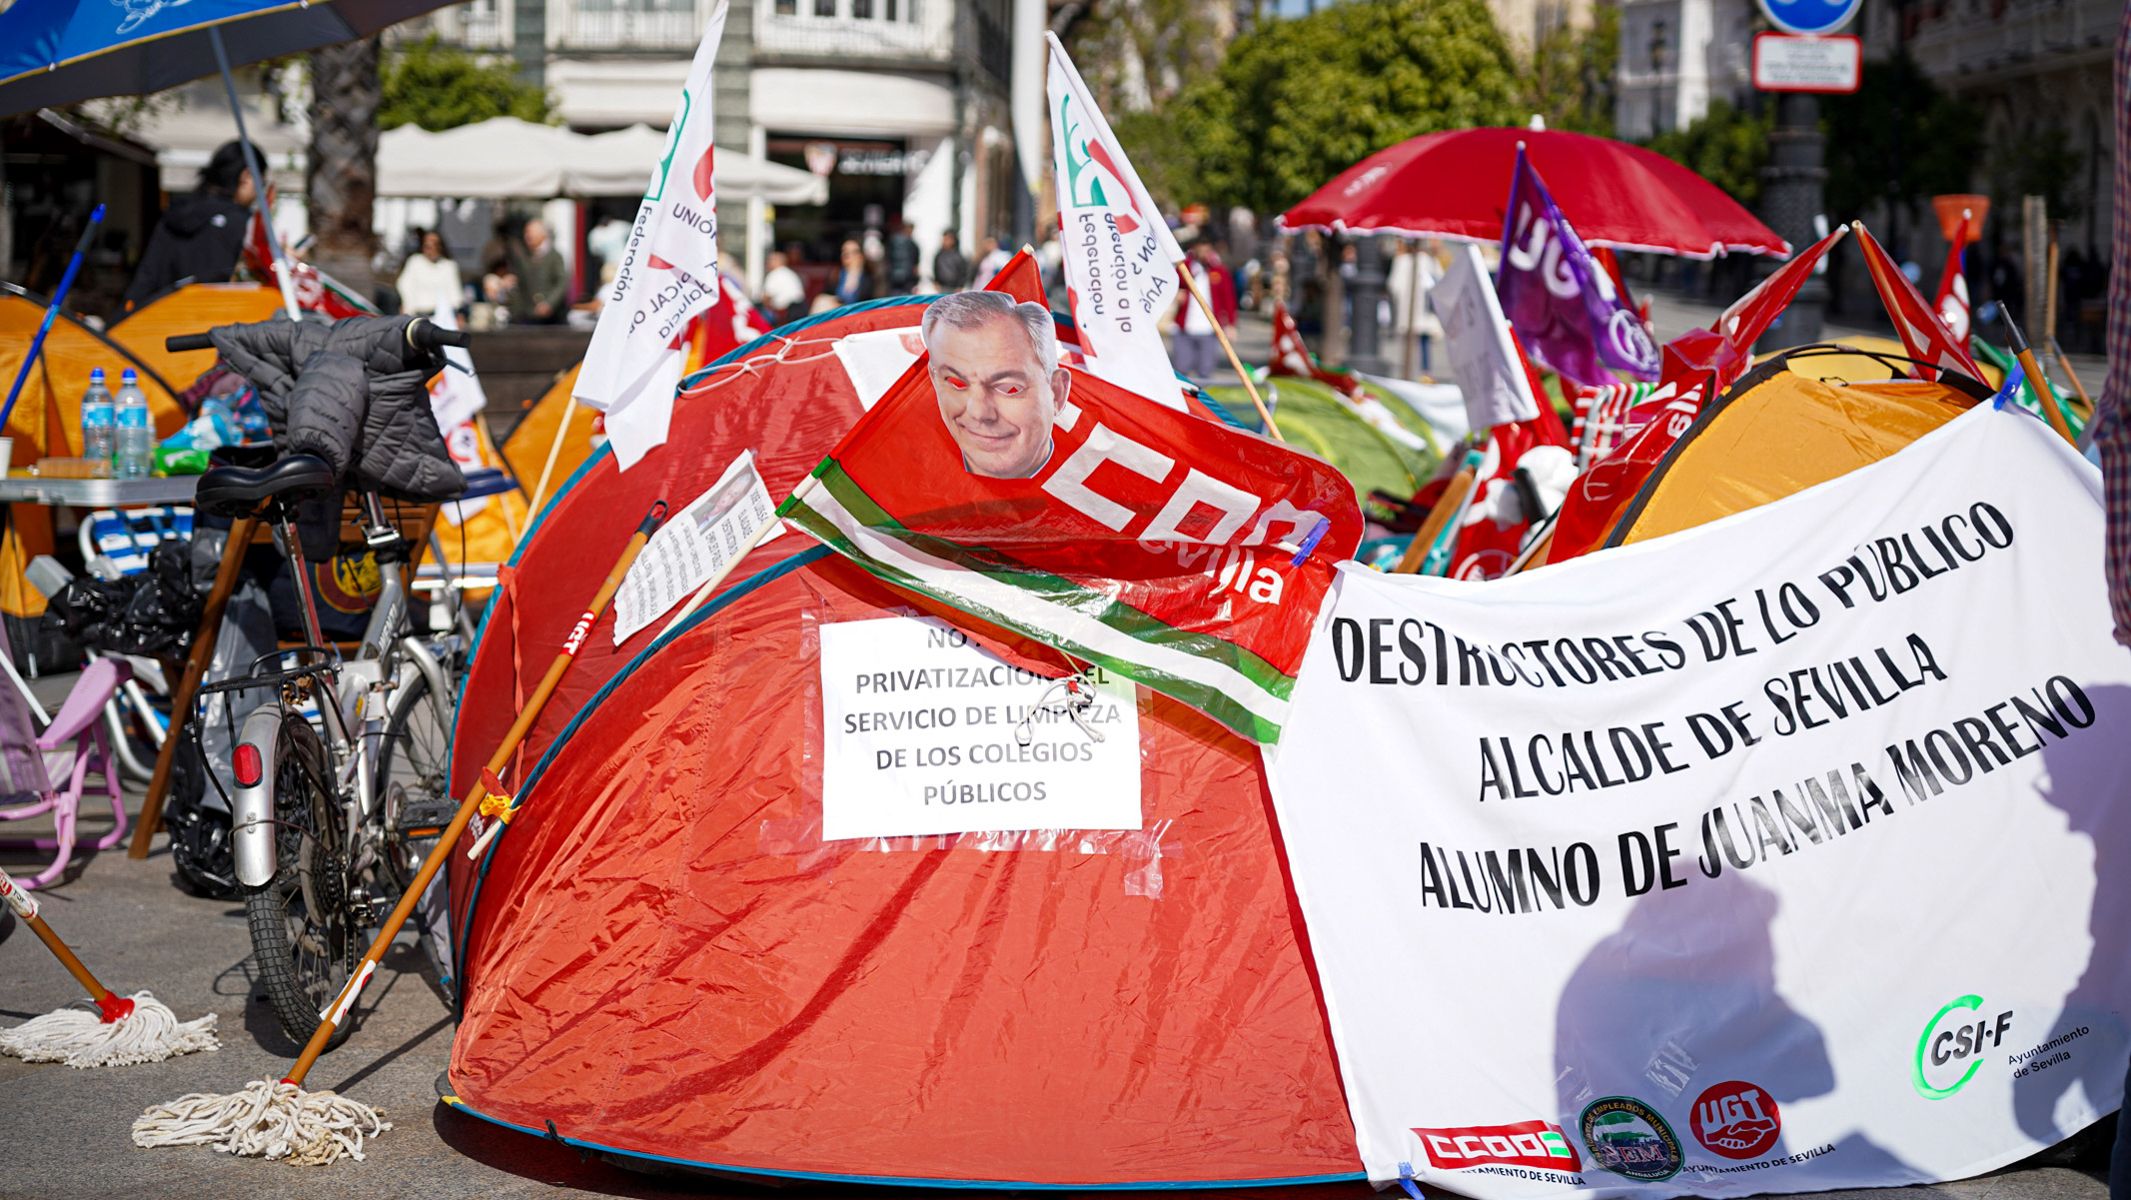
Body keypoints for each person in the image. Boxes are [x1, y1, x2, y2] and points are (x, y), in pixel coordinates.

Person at [921, 290, 1068, 479]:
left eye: (1009, 388)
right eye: (957, 383)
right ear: (934, 379)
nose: (979, 413)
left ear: (1057, 392)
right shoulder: (908, 487)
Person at [124, 140, 254, 307]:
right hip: (210, 321)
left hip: (153, 315)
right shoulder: (241, 222)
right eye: (261, 183)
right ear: (246, 177)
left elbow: (148, 274)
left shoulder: (175, 212)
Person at [1171, 241, 1235, 380]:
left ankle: (1203, 400)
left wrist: (1231, 323)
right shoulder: (1185, 268)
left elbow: (1228, 299)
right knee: (1181, 368)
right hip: (1185, 327)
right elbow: (1173, 284)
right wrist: (1177, 294)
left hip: (1209, 328)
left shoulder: (1218, 271)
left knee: (1205, 370)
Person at [509, 219, 569, 324]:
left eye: (530, 232)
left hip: (553, 318)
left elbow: (562, 282)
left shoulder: (554, 256)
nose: (527, 236)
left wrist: (549, 303)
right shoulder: (524, 256)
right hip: (529, 315)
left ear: (542, 234)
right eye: (526, 232)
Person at [395, 228, 464, 317]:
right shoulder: (415, 262)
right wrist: (408, 308)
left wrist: (456, 313)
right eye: (428, 246)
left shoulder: (449, 266)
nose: (432, 249)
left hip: (443, 315)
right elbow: (404, 285)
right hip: (418, 314)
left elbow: (455, 294)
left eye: (435, 245)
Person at [760, 250, 806, 324]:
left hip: (787, 314)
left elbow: (767, 298)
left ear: (778, 261)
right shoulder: (790, 273)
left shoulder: (775, 274)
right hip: (799, 310)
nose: (767, 263)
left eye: (771, 260)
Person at [831, 238, 877, 306]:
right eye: (844, 251)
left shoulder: (869, 278)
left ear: (861, 256)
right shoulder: (836, 274)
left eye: (853, 252)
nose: (847, 254)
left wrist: (854, 273)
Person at [884, 219, 921, 296]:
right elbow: (915, 265)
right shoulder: (912, 243)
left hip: (893, 276)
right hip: (908, 277)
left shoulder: (892, 240)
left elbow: (887, 257)